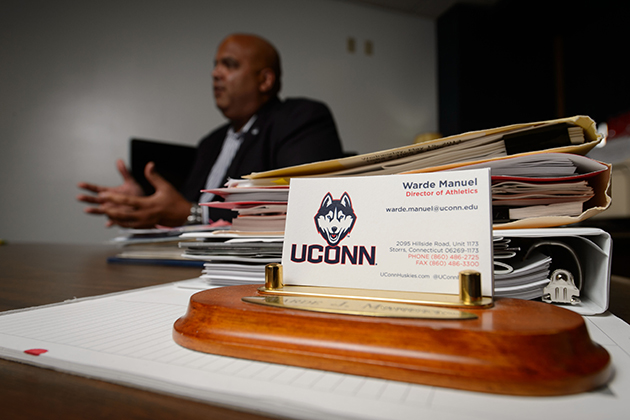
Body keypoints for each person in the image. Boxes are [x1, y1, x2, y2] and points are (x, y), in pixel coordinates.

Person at [77, 33, 343, 228]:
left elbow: (305, 208)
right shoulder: (210, 143)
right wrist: (144, 202)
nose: (216, 73)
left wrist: (192, 215)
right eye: (215, 65)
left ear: (265, 80)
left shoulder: (300, 118)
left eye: (229, 65)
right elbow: (181, 205)